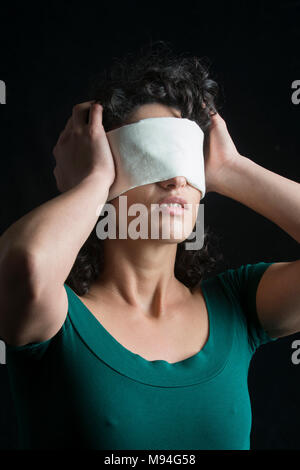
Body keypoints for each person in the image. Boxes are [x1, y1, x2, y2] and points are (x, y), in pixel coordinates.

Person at [1, 41, 300, 450]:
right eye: (153, 153)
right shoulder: (55, 318)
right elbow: (25, 265)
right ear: (105, 170)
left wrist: (233, 170)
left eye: (187, 158)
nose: (177, 179)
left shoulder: (237, 305)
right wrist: (89, 183)